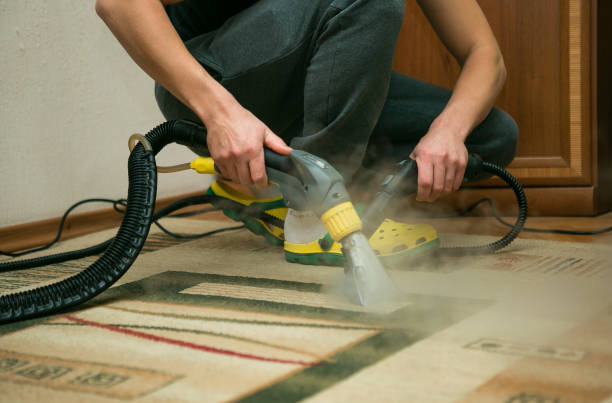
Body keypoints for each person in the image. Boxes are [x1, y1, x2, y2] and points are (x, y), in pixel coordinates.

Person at [95, 0, 518, 266]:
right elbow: (120, 5)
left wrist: (447, 131)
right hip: (215, 84)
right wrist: (221, 115)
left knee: (489, 135)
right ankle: (314, 215)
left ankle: (277, 188)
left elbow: (486, 54)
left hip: (314, 81)